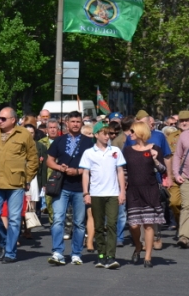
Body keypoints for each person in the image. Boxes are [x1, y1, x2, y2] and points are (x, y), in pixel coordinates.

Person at [0, 107, 39, 264]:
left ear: (13, 120)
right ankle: (5, 240)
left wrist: (27, 178)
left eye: (3, 119)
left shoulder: (24, 134)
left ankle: (10, 252)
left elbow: (33, 159)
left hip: (16, 183)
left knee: (14, 219)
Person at [46, 111, 94, 266]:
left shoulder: (89, 142)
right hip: (62, 187)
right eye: (72, 121)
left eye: (77, 121)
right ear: (66, 123)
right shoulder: (59, 141)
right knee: (58, 220)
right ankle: (58, 252)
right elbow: (49, 161)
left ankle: (76, 253)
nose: (75, 124)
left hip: (81, 187)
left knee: (79, 223)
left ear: (81, 123)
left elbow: (94, 164)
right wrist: (60, 168)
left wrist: (79, 171)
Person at [80, 121, 127, 269]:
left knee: (112, 224)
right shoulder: (89, 153)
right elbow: (85, 174)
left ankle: (111, 256)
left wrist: (122, 192)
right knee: (99, 226)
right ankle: (101, 255)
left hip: (112, 193)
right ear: (96, 135)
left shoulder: (115, 151)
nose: (107, 136)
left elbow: (120, 171)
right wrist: (86, 192)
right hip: (96, 194)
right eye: (104, 134)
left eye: (109, 134)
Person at [124, 121, 167, 267]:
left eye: (132, 131)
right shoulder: (128, 150)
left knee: (149, 225)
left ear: (140, 133)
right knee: (134, 225)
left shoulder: (155, 149)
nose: (130, 134)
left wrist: (154, 159)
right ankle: (138, 246)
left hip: (150, 189)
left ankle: (148, 256)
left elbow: (163, 169)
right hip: (133, 191)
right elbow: (123, 170)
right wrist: (122, 186)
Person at [171, 111, 189, 247]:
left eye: (187, 120)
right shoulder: (183, 136)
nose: (184, 122)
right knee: (186, 206)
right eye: (182, 120)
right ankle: (184, 236)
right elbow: (177, 156)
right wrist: (176, 174)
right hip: (186, 177)